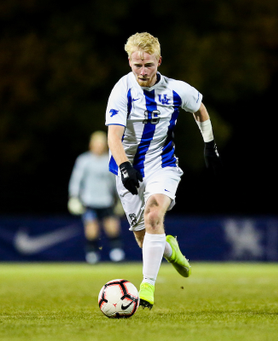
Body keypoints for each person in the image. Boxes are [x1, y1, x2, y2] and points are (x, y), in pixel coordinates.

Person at [105, 32, 222, 309]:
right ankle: (170, 249)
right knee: (144, 236)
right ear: (129, 62)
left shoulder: (176, 89)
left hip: (162, 164)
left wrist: (209, 144)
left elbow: (199, 109)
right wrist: (124, 166)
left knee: (154, 212)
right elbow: (113, 136)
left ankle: (147, 287)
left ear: (159, 61)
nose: (143, 71)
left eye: (148, 65)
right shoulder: (122, 90)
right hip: (127, 167)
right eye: (137, 65)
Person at [68, 131, 126, 264]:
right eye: (96, 143)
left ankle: (116, 252)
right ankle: (92, 253)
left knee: (112, 227)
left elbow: (116, 181)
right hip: (89, 201)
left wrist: (120, 199)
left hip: (106, 200)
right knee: (91, 229)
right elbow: (76, 180)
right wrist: (74, 197)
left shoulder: (110, 159)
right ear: (91, 144)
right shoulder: (84, 160)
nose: (99, 146)